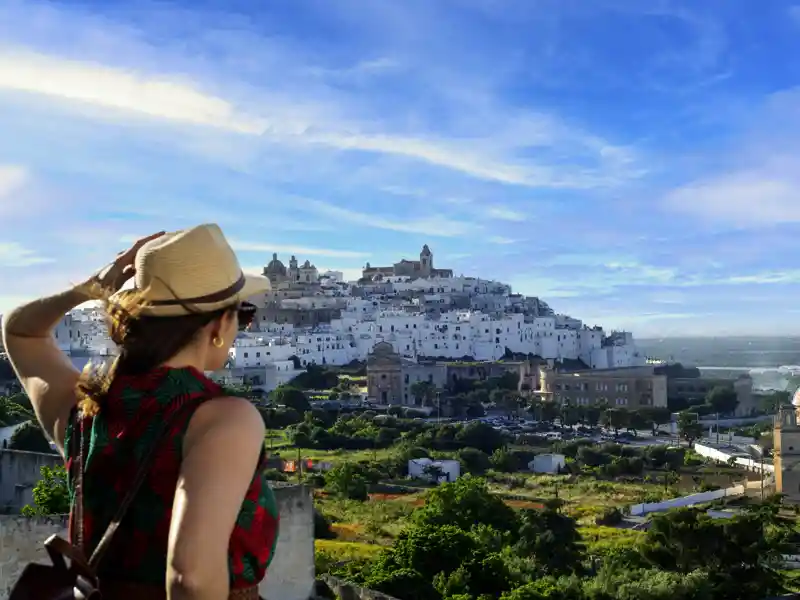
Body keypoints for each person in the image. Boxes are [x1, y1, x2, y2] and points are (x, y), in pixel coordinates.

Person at [2, 224, 279, 600]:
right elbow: (191, 579)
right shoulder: (224, 419)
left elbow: (21, 333)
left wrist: (92, 287)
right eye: (241, 315)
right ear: (220, 324)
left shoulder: (83, 409)